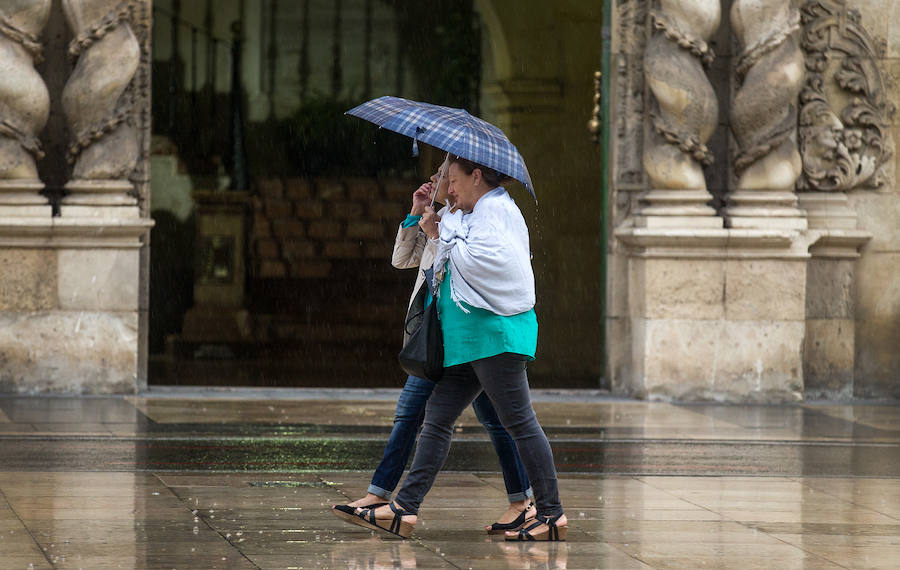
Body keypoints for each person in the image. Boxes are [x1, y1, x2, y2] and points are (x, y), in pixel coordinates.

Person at [342, 155, 567, 541]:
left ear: (476, 175)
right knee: (437, 418)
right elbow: (439, 255)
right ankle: (403, 509)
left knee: (519, 423)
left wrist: (436, 235)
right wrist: (432, 225)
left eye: (454, 179)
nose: (449, 189)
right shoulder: (470, 212)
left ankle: (550, 515)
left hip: (494, 338)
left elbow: (485, 264)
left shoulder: (497, 211)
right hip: (465, 340)